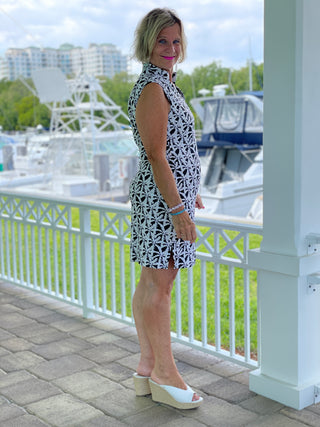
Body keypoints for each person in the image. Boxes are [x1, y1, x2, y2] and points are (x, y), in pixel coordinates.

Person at [128, 8, 204, 410]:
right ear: (148, 43)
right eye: (162, 41)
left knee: (150, 286)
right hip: (162, 207)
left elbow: (175, 151)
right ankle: (165, 374)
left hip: (167, 199)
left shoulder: (163, 83)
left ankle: (146, 366)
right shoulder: (154, 87)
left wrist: (191, 191)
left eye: (176, 41)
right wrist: (178, 210)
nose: (171, 49)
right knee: (159, 289)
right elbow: (157, 155)